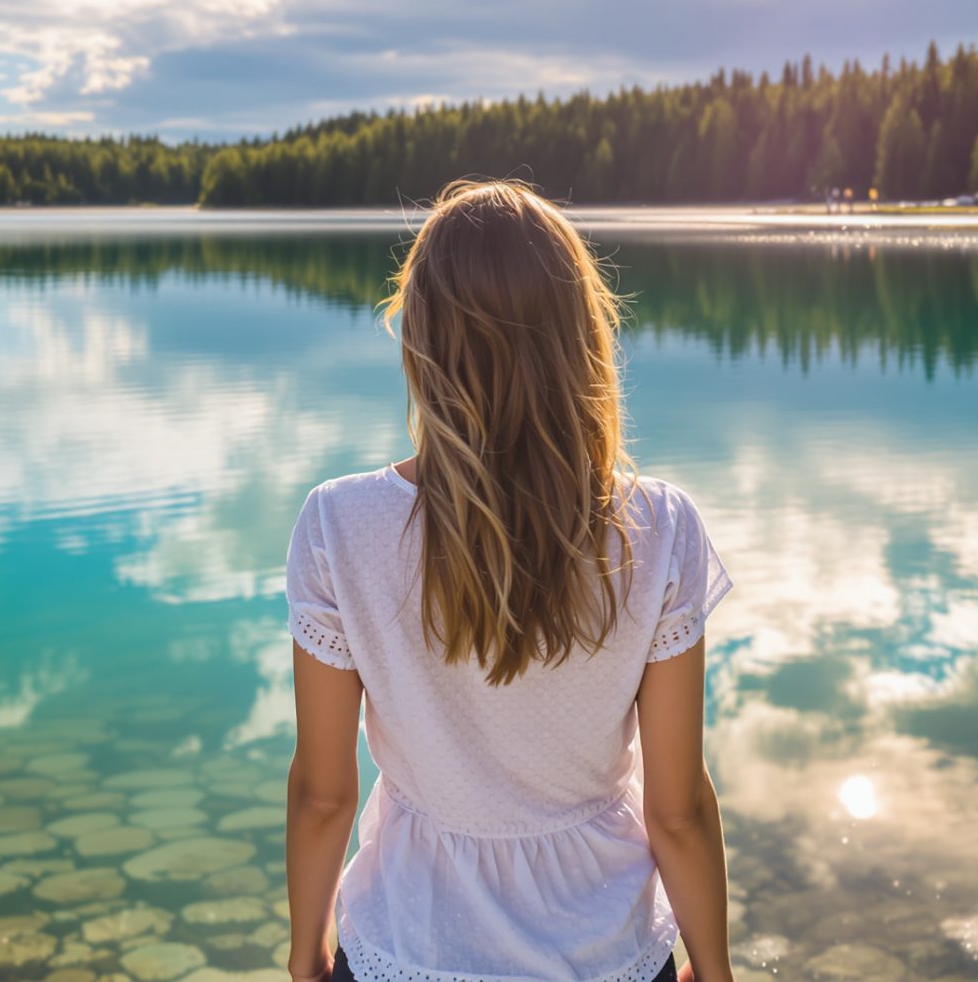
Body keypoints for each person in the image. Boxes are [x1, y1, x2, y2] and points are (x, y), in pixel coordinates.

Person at [283, 179, 734, 982]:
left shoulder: (340, 525)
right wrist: (716, 969)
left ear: (420, 338)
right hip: (608, 954)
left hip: (405, 948)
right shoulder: (657, 529)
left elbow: (324, 794)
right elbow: (679, 809)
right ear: (581, 337)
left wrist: (306, 951)